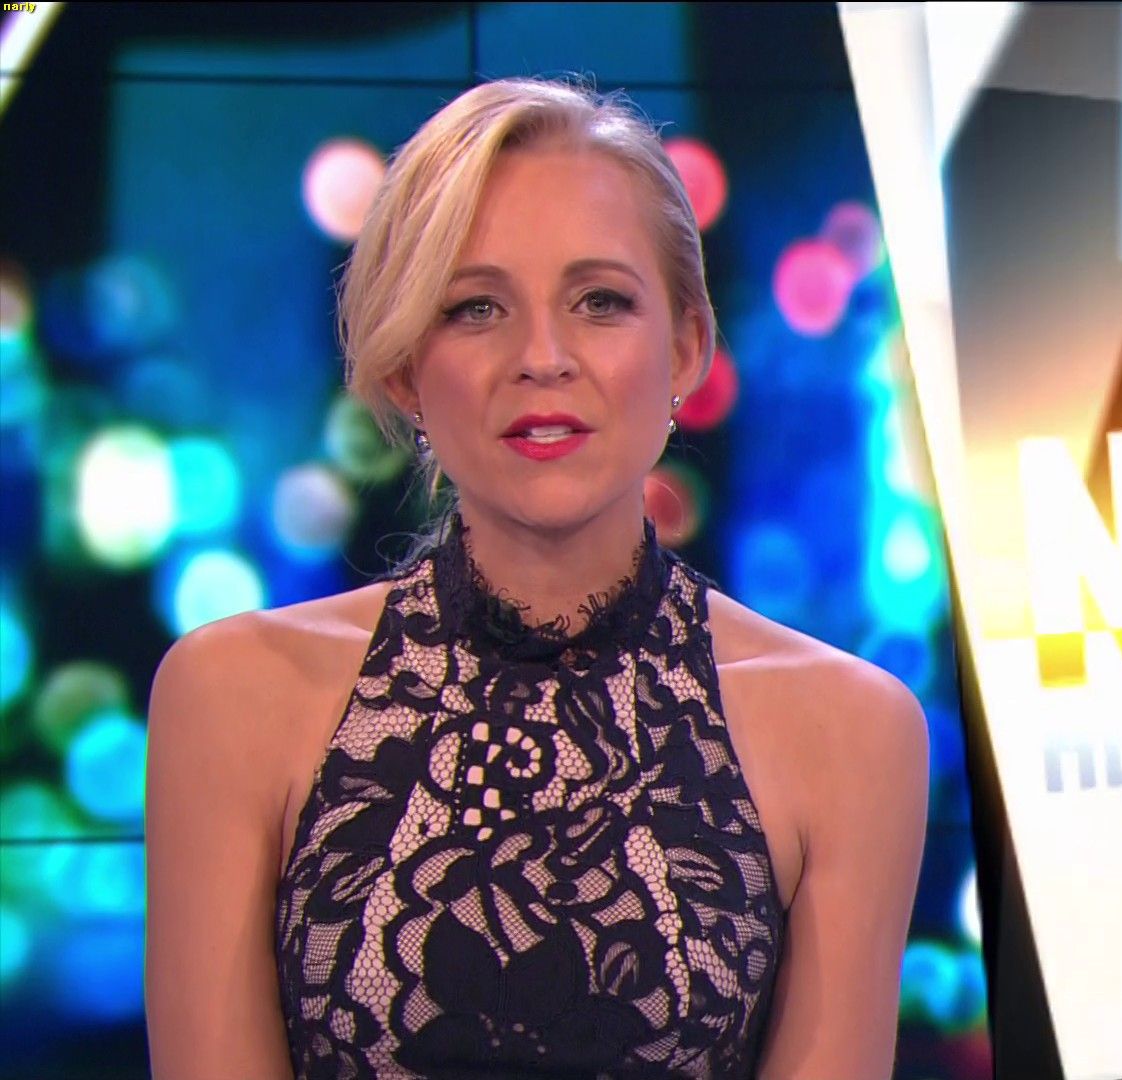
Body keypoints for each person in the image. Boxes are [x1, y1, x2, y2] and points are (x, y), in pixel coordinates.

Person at [144, 77, 929, 1079]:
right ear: (405, 368)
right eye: (476, 308)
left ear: (687, 347)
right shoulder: (231, 697)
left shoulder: (853, 733)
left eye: (601, 302)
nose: (543, 358)